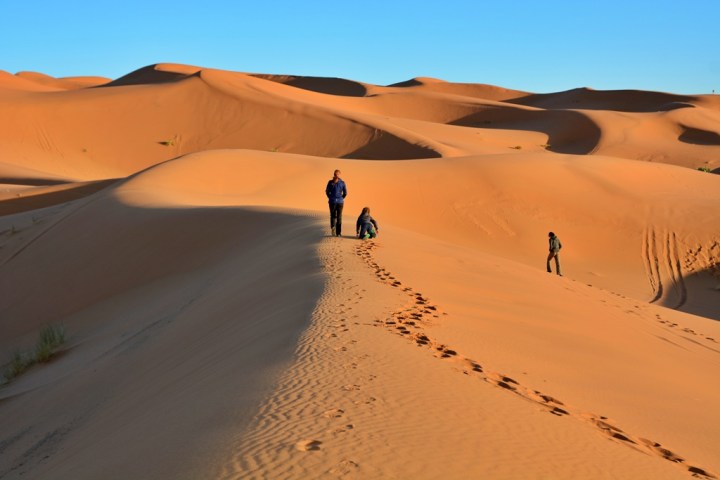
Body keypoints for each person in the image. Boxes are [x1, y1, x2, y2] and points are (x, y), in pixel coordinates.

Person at [325, 169, 347, 237]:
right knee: (339, 217)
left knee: (333, 216)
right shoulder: (342, 182)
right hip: (340, 202)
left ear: (334, 174)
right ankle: (339, 233)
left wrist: (330, 197)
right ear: (339, 175)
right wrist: (341, 198)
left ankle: (333, 228)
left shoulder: (330, 182)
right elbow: (345, 193)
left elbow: (327, 191)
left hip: (332, 201)